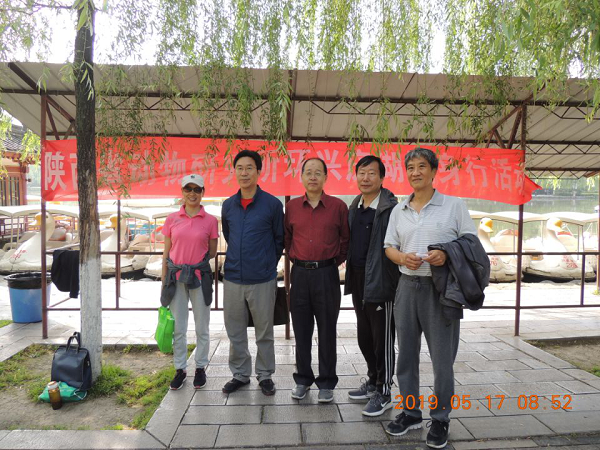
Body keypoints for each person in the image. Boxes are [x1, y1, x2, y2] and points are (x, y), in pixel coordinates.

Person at [383, 147, 477, 449]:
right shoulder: (399, 210)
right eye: (410, 167)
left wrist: (445, 254)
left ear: (434, 171)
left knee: (442, 359)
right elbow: (389, 246)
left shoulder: (453, 206)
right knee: (406, 355)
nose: (416, 172)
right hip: (407, 287)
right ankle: (411, 412)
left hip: (442, 290)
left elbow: (471, 242)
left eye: (422, 166)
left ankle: (440, 418)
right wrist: (402, 258)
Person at [285, 157, 350, 403]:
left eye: (318, 172)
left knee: (327, 330)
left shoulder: (338, 207)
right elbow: (287, 239)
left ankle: (326, 382)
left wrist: (331, 262)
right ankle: (303, 379)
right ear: (301, 177)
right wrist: (298, 259)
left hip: (327, 275)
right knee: (301, 330)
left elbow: (345, 240)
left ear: (325, 177)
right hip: (300, 275)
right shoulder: (292, 207)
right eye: (308, 172)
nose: (313, 177)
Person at [221, 150, 284, 396]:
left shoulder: (272, 205)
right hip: (233, 278)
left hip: (263, 278)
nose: (244, 173)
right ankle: (240, 374)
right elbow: (229, 235)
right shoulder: (228, 205)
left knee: (264, 331)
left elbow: (279, 240)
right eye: (240, 168)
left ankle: (265, 375)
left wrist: (266, 263)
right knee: (235, 330)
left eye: (249, 168)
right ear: (235, 172)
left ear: (259, 172)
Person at [344, 155, 399, 416]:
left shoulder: (391, 209)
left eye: (371, 173)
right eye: (361, 173)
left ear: (382, 178)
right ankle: (372, 380)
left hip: (381, 281)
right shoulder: (355, 206)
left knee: (382, 340)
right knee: (364, 336)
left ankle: (384, 391)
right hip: (357, 280)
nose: (365, 178)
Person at [161, 174, 219, 390]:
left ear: (203, 193)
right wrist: (164, 280)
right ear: (182, 192)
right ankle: (180, 369)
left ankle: (200, 367)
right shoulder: (171, 219)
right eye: (188, 189)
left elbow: (212, 252)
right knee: (179, 327)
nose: (192, 193)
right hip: (175, 278)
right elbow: (167, 251)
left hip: (200, 278)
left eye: (197, 189)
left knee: (202, 326)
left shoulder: (211, 221)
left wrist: (194, 263)